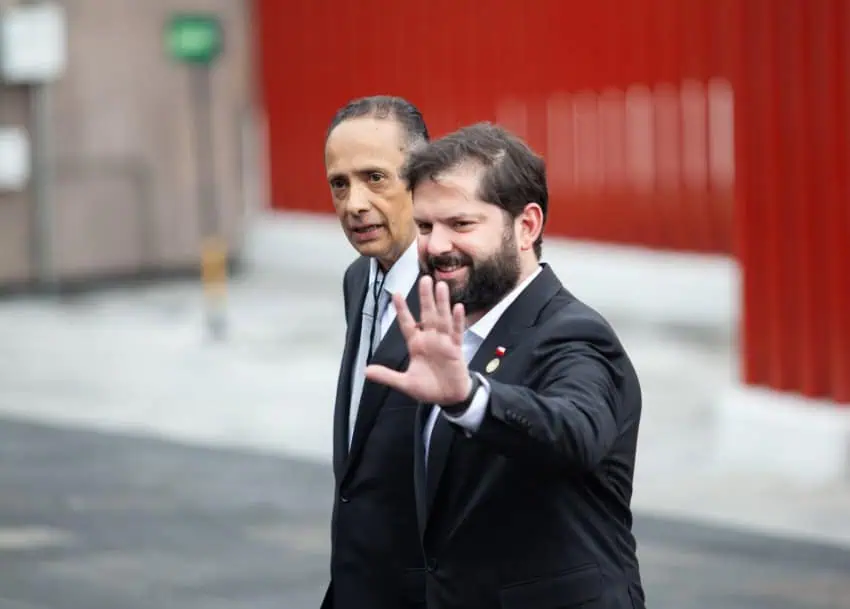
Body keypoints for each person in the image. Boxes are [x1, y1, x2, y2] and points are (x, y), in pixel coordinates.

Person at [365, 122, 646, 609]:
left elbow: (576, 430)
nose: (434, 246)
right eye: (426, 226)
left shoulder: (573, 333)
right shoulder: (441, 333)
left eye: (461, 224)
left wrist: (471, 399)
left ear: (527, 226)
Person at [321, 95, 429, 609]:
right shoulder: (357, 279)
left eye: (374, 178)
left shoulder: (459, 293)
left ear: (420, 180)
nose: (354, 203)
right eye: (339, 184)